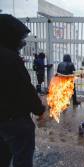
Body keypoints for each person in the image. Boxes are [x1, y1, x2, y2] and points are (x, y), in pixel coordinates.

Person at [0, 14, 45, 167]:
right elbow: (26, 89)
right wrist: (39, 109)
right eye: (18, 38)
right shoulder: (11, 58)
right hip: (16, 121)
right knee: (23, 160)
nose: (21, 42)